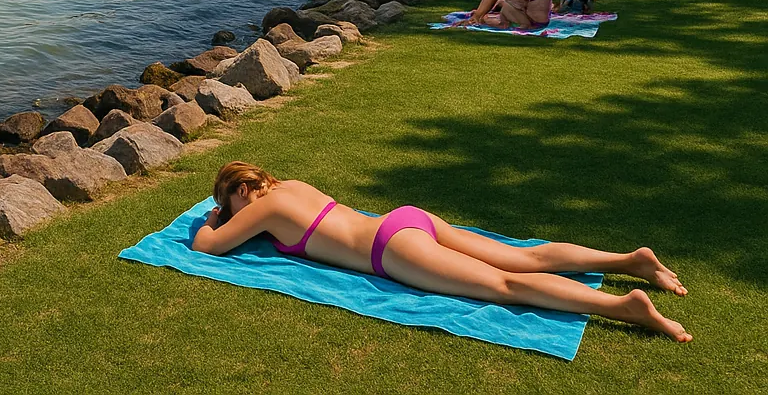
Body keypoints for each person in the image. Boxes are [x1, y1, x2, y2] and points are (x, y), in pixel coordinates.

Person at [192, 162, 690, 342]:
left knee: (505, 286)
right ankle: (629, 261)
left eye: (229, 203)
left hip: (391, 249)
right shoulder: (294, 186)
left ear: (241, 190)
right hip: (405, 220)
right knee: (523, 257)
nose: (231, 213)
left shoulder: (262, 207)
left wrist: (213, 221)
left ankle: (623, 307)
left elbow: (208, 247)